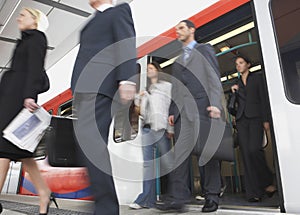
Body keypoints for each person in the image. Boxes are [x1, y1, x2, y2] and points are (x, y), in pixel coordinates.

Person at [70, 0, 136, 214]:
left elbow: (125, 41)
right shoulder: (89, 24)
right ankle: (103, 205)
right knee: (88, 147)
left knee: (93, 147)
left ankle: (106, 209)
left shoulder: (119, 11)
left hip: (100, 86)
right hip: (83, 91)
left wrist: (127, 79)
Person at [156, 20, 223, 213]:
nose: (177, 31)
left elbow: (214, 79)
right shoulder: (177, 61)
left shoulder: (204, 50)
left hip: (203, 109)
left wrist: (216, 104)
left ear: (192, 30)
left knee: (207, 156)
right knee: (180, 157)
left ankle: (211, 197)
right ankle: (178, 199)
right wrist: (171, 111)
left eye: (181, 28)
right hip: (181, 115)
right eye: (176, 29)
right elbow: (176, 89)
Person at [0, 8, 57, 215]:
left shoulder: (37, 38)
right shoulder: (25, 40)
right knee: (22, 153)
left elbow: (35, 68)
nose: (18, 18)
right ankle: (44, 193)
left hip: (17, 101)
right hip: (9, 99)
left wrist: (29, 95)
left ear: (35, 19)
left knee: (3, 150)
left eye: (23, 15)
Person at [231, 56, 276, 202]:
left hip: (256, 118)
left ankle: (267, 180)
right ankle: (253, 193)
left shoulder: (257, 79)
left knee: (254, 150)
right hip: (242, 121)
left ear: (248, 64)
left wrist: (266, 119)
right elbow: (232, 107)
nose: (238, 66)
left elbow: (263, 99)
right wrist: (234, 93)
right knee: (246, 155)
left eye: (241, 63)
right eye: (236, 64)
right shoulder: (236, 84)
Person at [129, 62, 173, 209]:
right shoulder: (146, 90)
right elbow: (139, 113)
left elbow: (170, 107)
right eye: (147, 69)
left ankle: (176, 195)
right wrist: (138, 99)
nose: (148, 70)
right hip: (147, 129)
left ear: (158, 71)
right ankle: (146, 200)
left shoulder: (166, 86)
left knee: (168, 163)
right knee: (148, 166)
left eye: (151, 68)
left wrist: (170, 128)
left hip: (160, 128)